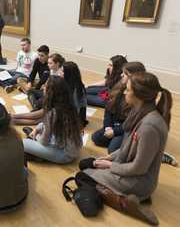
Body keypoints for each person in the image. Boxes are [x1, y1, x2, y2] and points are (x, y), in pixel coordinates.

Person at [80, 71, 172, 225]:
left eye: (128, 90)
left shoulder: (149, 126)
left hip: (140, 181)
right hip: (129, 169)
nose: (124, 92)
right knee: (85, 163)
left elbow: (139, 168)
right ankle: (127, 196)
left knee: (82, 176)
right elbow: (126, 148)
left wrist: (110, 165)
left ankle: (123, 202)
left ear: (139, 96)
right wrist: (109, 158)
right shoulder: (141, 112)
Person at [22, 76, 82, 164]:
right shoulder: (69, 105)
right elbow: (48, 124)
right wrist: (37, 129)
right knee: (38, 131)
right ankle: (36, 149)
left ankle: (37, 151)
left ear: (51, 92)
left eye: (45, 86)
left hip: (65, 155)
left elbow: (44, 142)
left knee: (22, 143)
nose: (43, 87)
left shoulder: (53, 112)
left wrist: (36, 136)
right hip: (73, 148)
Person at [91, 62, 146, 153]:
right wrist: (108, 126)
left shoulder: (138, 97)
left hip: (127, 128)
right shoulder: (119, 87)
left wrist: (115, 132)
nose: (121, 75)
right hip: (115, 124)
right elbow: (108, 110)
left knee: (112, 150)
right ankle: (125, 144)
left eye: (124, 74)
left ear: (133, 77)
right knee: (96, 138)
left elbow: (133, 123)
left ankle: (136, 146)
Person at [59, 61, 88, 127]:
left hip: (74, 118)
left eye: (62, 71)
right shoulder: (65, 82)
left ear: (68, 74)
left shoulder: (76, 89)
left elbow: (75, 110)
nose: (60, 73)